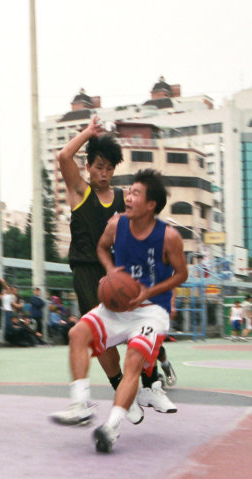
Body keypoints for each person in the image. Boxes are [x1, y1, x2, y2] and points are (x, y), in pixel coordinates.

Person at [50, 169, 188, 453]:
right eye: (129, 192)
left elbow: (181, 274)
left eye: (136, 193)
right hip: (118, 306)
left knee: (134, 360)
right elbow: (102, 248)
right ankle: (80, 405)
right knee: (78, 333)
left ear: (151, 205)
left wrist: (150, 292)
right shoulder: (116, 224)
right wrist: (111, 273)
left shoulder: (169, 237)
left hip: (151, 310)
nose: (128, 197)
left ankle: (111, 427)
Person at [59, 115, 175, 415]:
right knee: (99, 336)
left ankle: (152, 385)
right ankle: (121, 387)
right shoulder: (80, 192)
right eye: (99, 167)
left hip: (120, 270)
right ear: (88, 167)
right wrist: (87, 132)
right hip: (86, 271)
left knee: (142, 325)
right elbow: (63, 156)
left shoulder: (124, 199)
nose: (104, 173)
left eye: (110, 168)